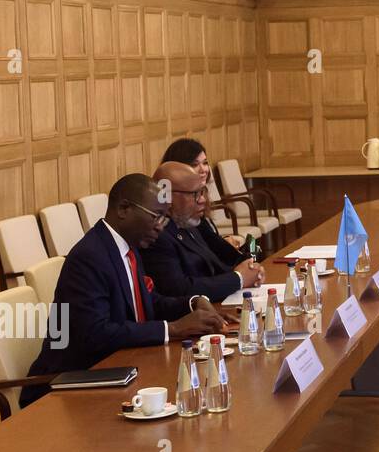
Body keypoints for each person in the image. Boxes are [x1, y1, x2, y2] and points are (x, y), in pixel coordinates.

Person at [21, 174, 232, 407]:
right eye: (156, 217)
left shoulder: (127, 246)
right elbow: (96, 333)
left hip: (120, 369)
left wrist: (193, 303)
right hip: (71, 384)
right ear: (124, 209)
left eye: (165, 218)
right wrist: (172, 328)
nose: (161, 227)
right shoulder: (89, 257)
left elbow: (148, 302)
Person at [142, 162, 263, 301]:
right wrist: (239, 278)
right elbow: (179, 290)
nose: (203, 200)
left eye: (202, 192)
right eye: (195, 194)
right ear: (167, 195)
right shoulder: (156, 235)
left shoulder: (189, 223)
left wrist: (251, 269)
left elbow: (216, 263)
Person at [161, 137, 244, 251]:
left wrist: (223, 242)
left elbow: (206, 237)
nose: (204, 169)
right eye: (195, 164)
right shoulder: (173, 207)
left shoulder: (202, 193)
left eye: (205, 163)